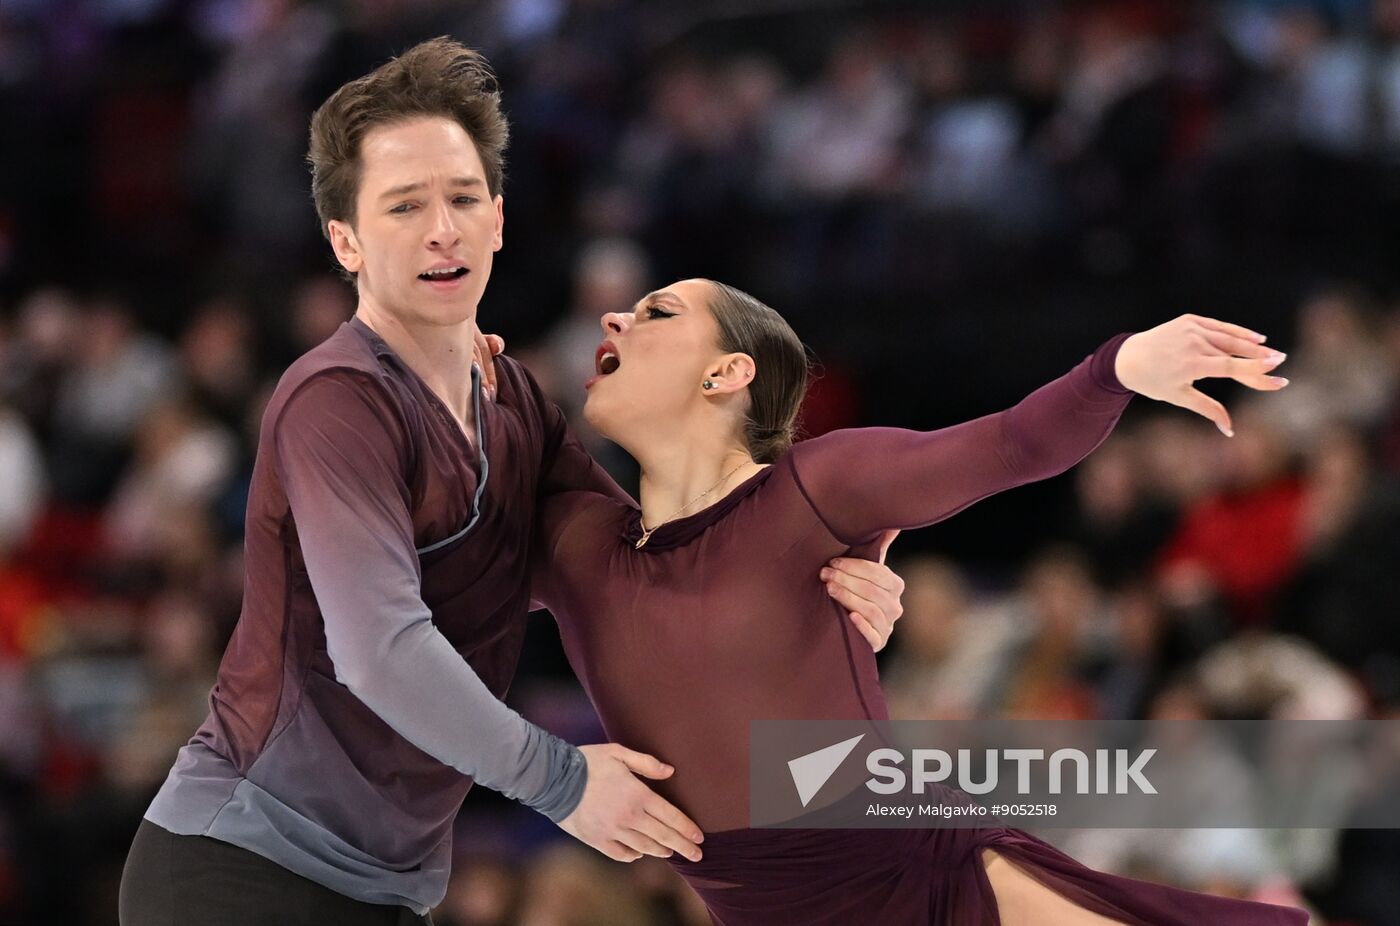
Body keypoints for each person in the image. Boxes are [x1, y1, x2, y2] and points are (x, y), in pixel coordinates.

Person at [117, 40, 906, 926]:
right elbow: (378, 650)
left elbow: (642, 582)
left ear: (498, 217)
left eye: (461, 198)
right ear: (345, 241)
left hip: (387, 889)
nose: (441, 229)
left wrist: (810, 590)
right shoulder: (336, 403)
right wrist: (564, 782)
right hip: (242, 867)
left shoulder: (517, 402)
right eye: (404, 206)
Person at [529, 278, 1308, 924]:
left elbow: (1010, 444)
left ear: (727, 373)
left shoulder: (812, 491)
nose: (613, 317)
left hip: (926, 883)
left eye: (658, 311)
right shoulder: (579, 548)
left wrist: (1119, 367)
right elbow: (418, 598)